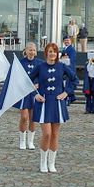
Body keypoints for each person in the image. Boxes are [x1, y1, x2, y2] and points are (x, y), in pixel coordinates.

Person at [28, 42, 79, 173]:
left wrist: (66, 92)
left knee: (55, 135)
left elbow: (75, 80)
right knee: (47, 134)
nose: (52, 54)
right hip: (44, 103)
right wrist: (35, 94)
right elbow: (27, 81)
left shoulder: (62, 67)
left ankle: (52, 163)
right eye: (50, 51)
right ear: (46, 53)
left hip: (57, 103)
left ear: (57, 54)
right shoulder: (40, 67)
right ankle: (42, 162)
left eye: (54, 51)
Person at [16, 42, 43, 150]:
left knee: (33, 118)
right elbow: (16, 76)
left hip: (35, 93)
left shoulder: (40, 63)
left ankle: (30, 141)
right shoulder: (20, 63)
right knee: (24, 117)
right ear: (26, 51)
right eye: (30, 50)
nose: (32, 52)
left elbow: (44, 76)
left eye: (33, 50)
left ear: (36, 52)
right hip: (24, 93)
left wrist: (39, 84)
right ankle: (22, 140)